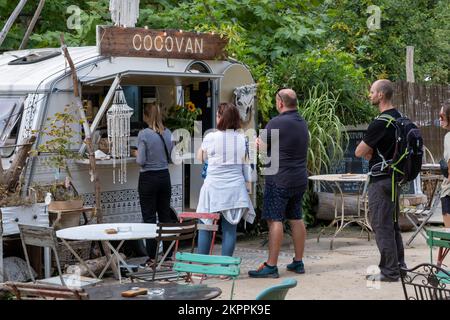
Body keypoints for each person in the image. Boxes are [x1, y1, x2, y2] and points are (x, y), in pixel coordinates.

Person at [248, 88, 309, 278]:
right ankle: (298, 262)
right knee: (296, 217)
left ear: (280, 102)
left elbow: (262, 148)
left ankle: (271, 266)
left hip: (279, 178)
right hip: (299, 178)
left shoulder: (276, 122)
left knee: (275, 219)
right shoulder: (302, 122)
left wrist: (258, 142)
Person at [355, 79, 407, 282]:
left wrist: (371, 152)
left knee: (381, 225)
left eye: (372, 91)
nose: (370, 95)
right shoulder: (400, 118)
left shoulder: (380, 122)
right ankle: (399, 267)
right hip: (395, 179)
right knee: (392, 224)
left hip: (381, 180)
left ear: (381, 95)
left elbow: (360, 151)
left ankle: (389, 271)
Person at [196, 102, 255, 257]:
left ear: (221, 118)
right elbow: (246, 164)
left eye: (217, 115)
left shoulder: (211, 137)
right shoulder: (242, 139)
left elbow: (200, 157)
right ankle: (225, 269)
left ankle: (203, 267)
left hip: (212, 188)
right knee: (230, 229)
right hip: (235, 189)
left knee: (205, 225)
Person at [136, 103, 174, 264]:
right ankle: (168, 255)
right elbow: (171, 158)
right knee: (165, 216)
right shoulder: (168, 133)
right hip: (164, 177)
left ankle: (152, 257)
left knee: (149, 218)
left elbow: (141, 161)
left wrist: (135, 152)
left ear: (146, 116)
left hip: (148, 179)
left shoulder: (143, 134)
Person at [438, 100, 450, 228]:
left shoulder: (449, 136)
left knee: (449, 233)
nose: (440, 120)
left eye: (442, 117)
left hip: (448, 192)